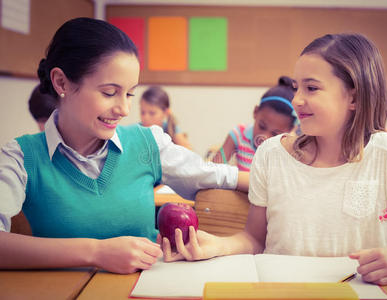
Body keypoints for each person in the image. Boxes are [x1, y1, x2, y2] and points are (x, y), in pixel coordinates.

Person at [160, 33, 387, 286]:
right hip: (282, 292)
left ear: (354, 98)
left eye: (311, 88)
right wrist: (218, 245)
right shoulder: (271, 154)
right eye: (297, 87)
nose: (296, 99)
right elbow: (254, 239)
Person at [0, 17, 248, 274]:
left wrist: (276, 179)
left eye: (130, 94)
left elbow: (216, 174)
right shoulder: (20, 157)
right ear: (61, 82)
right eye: (109, 93)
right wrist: (95, 252)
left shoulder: (147, 144)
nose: (124, 109)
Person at [212, 76, 298, 171]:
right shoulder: (239, 134)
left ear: (290, 130)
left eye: (275, 134)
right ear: (255, 112)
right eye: (262, 126)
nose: (264, 137)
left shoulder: (289, 149)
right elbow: (213, 170)